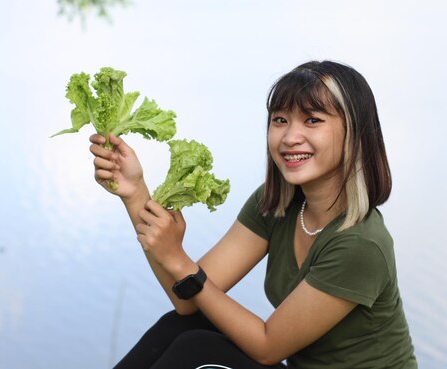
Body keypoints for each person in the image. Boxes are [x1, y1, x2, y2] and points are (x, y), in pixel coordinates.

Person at [89, 60, 417, 369]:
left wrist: (179, 260)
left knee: (197, 351)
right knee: (182, 325)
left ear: (354, 133)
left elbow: (267, 346)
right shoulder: (277, 204)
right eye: (280, 120)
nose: (290, 137)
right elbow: (187, 300)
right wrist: (135, 193)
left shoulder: (360, 245)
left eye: (312, 120)